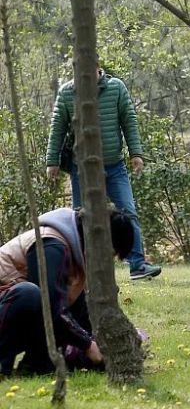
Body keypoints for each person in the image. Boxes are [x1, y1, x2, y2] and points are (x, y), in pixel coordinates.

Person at [45, 61, 161, 280]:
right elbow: (57, 127)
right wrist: (52, 161)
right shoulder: (67, 92)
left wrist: (136, 153)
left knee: (128, 211)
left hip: (114, 165)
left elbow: (129, 120)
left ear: (98, 68)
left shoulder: (116, 87)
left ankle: (137, 265)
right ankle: (84, 271)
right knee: (80, 219)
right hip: (83, 169)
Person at [0, 207, 134, 376]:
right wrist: (88, 346)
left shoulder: (74, 257)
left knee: (65, 312)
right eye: (109, 255)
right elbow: (51, 306)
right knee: (31, 295)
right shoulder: (51, 245)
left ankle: (37, 366)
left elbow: (79, 313)